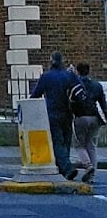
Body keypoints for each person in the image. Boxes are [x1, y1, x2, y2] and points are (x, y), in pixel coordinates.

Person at [30, 51, 80, 180]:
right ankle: (63, 167)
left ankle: (67, 168)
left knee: (57, 142)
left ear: (51, 61)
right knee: (66, 140)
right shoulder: (69, 75)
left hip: (52, 113)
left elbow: (36, 94)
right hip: (68, 113)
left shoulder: (46, 76)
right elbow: (80, 89)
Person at [72, 62, 107, 183]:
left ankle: (88, 165)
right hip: (95, 118)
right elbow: (103, 104)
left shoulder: (76, 85)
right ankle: (91, 177)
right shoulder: (97, 85)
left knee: (79, 144)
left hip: (81, 117)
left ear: (77, 71)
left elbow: (71, 101)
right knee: (91, 146)